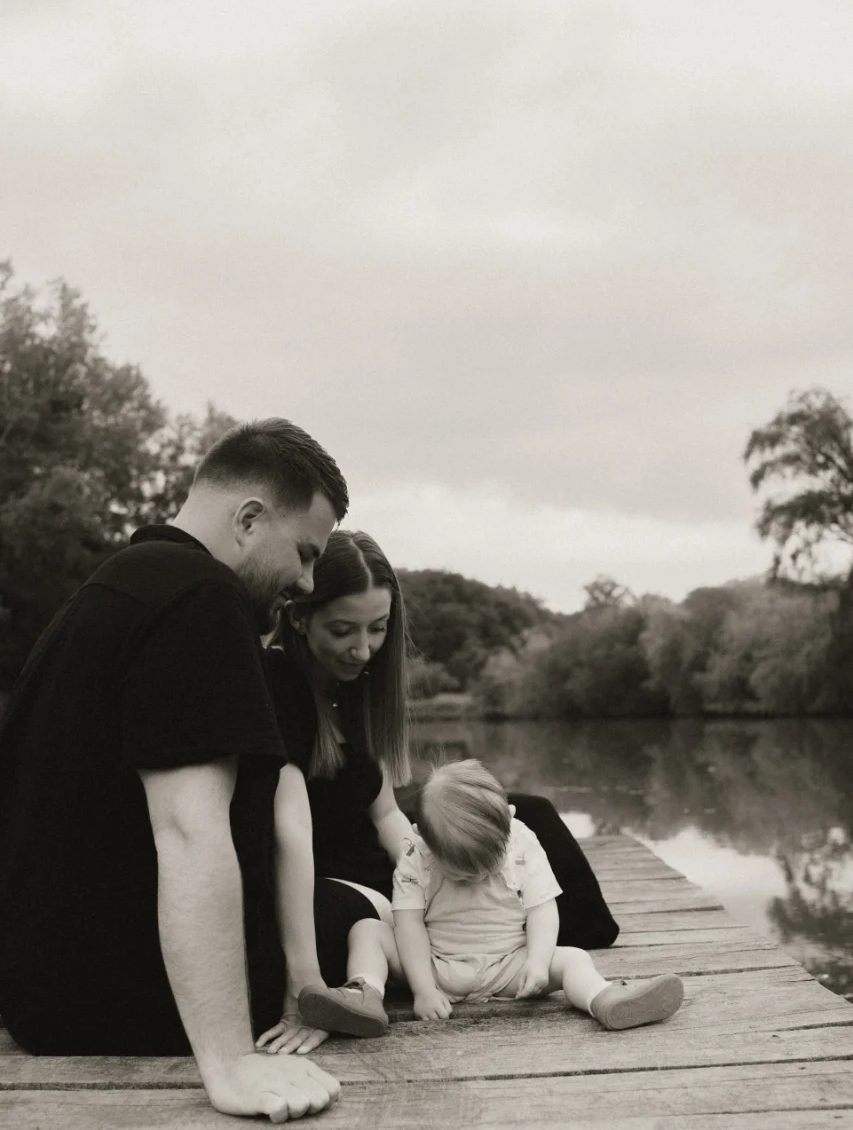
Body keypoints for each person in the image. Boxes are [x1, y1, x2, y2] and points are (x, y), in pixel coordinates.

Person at [0, 418, 347, 1124]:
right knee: (378, 909)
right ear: (249, 519)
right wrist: (230, 1063)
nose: (308, 582)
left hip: (52, 990)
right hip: (122, 1007)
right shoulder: (200, 599)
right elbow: (189, 831)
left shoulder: (119, 587)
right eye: (305, 553)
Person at [257, 530, 620, 1055]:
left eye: (378, 628)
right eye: (342, 630)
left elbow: (385, 813)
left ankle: (527, 950)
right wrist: (304, 989)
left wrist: (429, 859)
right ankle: (389, 979)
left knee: (525, 815)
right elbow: (289, 830)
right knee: (338, 920)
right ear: (299, 618)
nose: (363, 648)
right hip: (321, 876)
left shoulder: (356, 687)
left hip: (379, 866)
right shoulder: (277, 680)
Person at [298, 760, 684, 1038]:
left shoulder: (522, 840)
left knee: (573, 958)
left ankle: (605, 999)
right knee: (368, 930)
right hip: (435, 965)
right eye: (462, 873)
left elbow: (542, 908)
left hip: (508, 966)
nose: (477, 878)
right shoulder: (416, 852)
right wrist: (423, 988)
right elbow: (409, 924)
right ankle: (365, 994)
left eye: (487, 867)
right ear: (426, 841)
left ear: (507, 823)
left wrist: (537, 963)